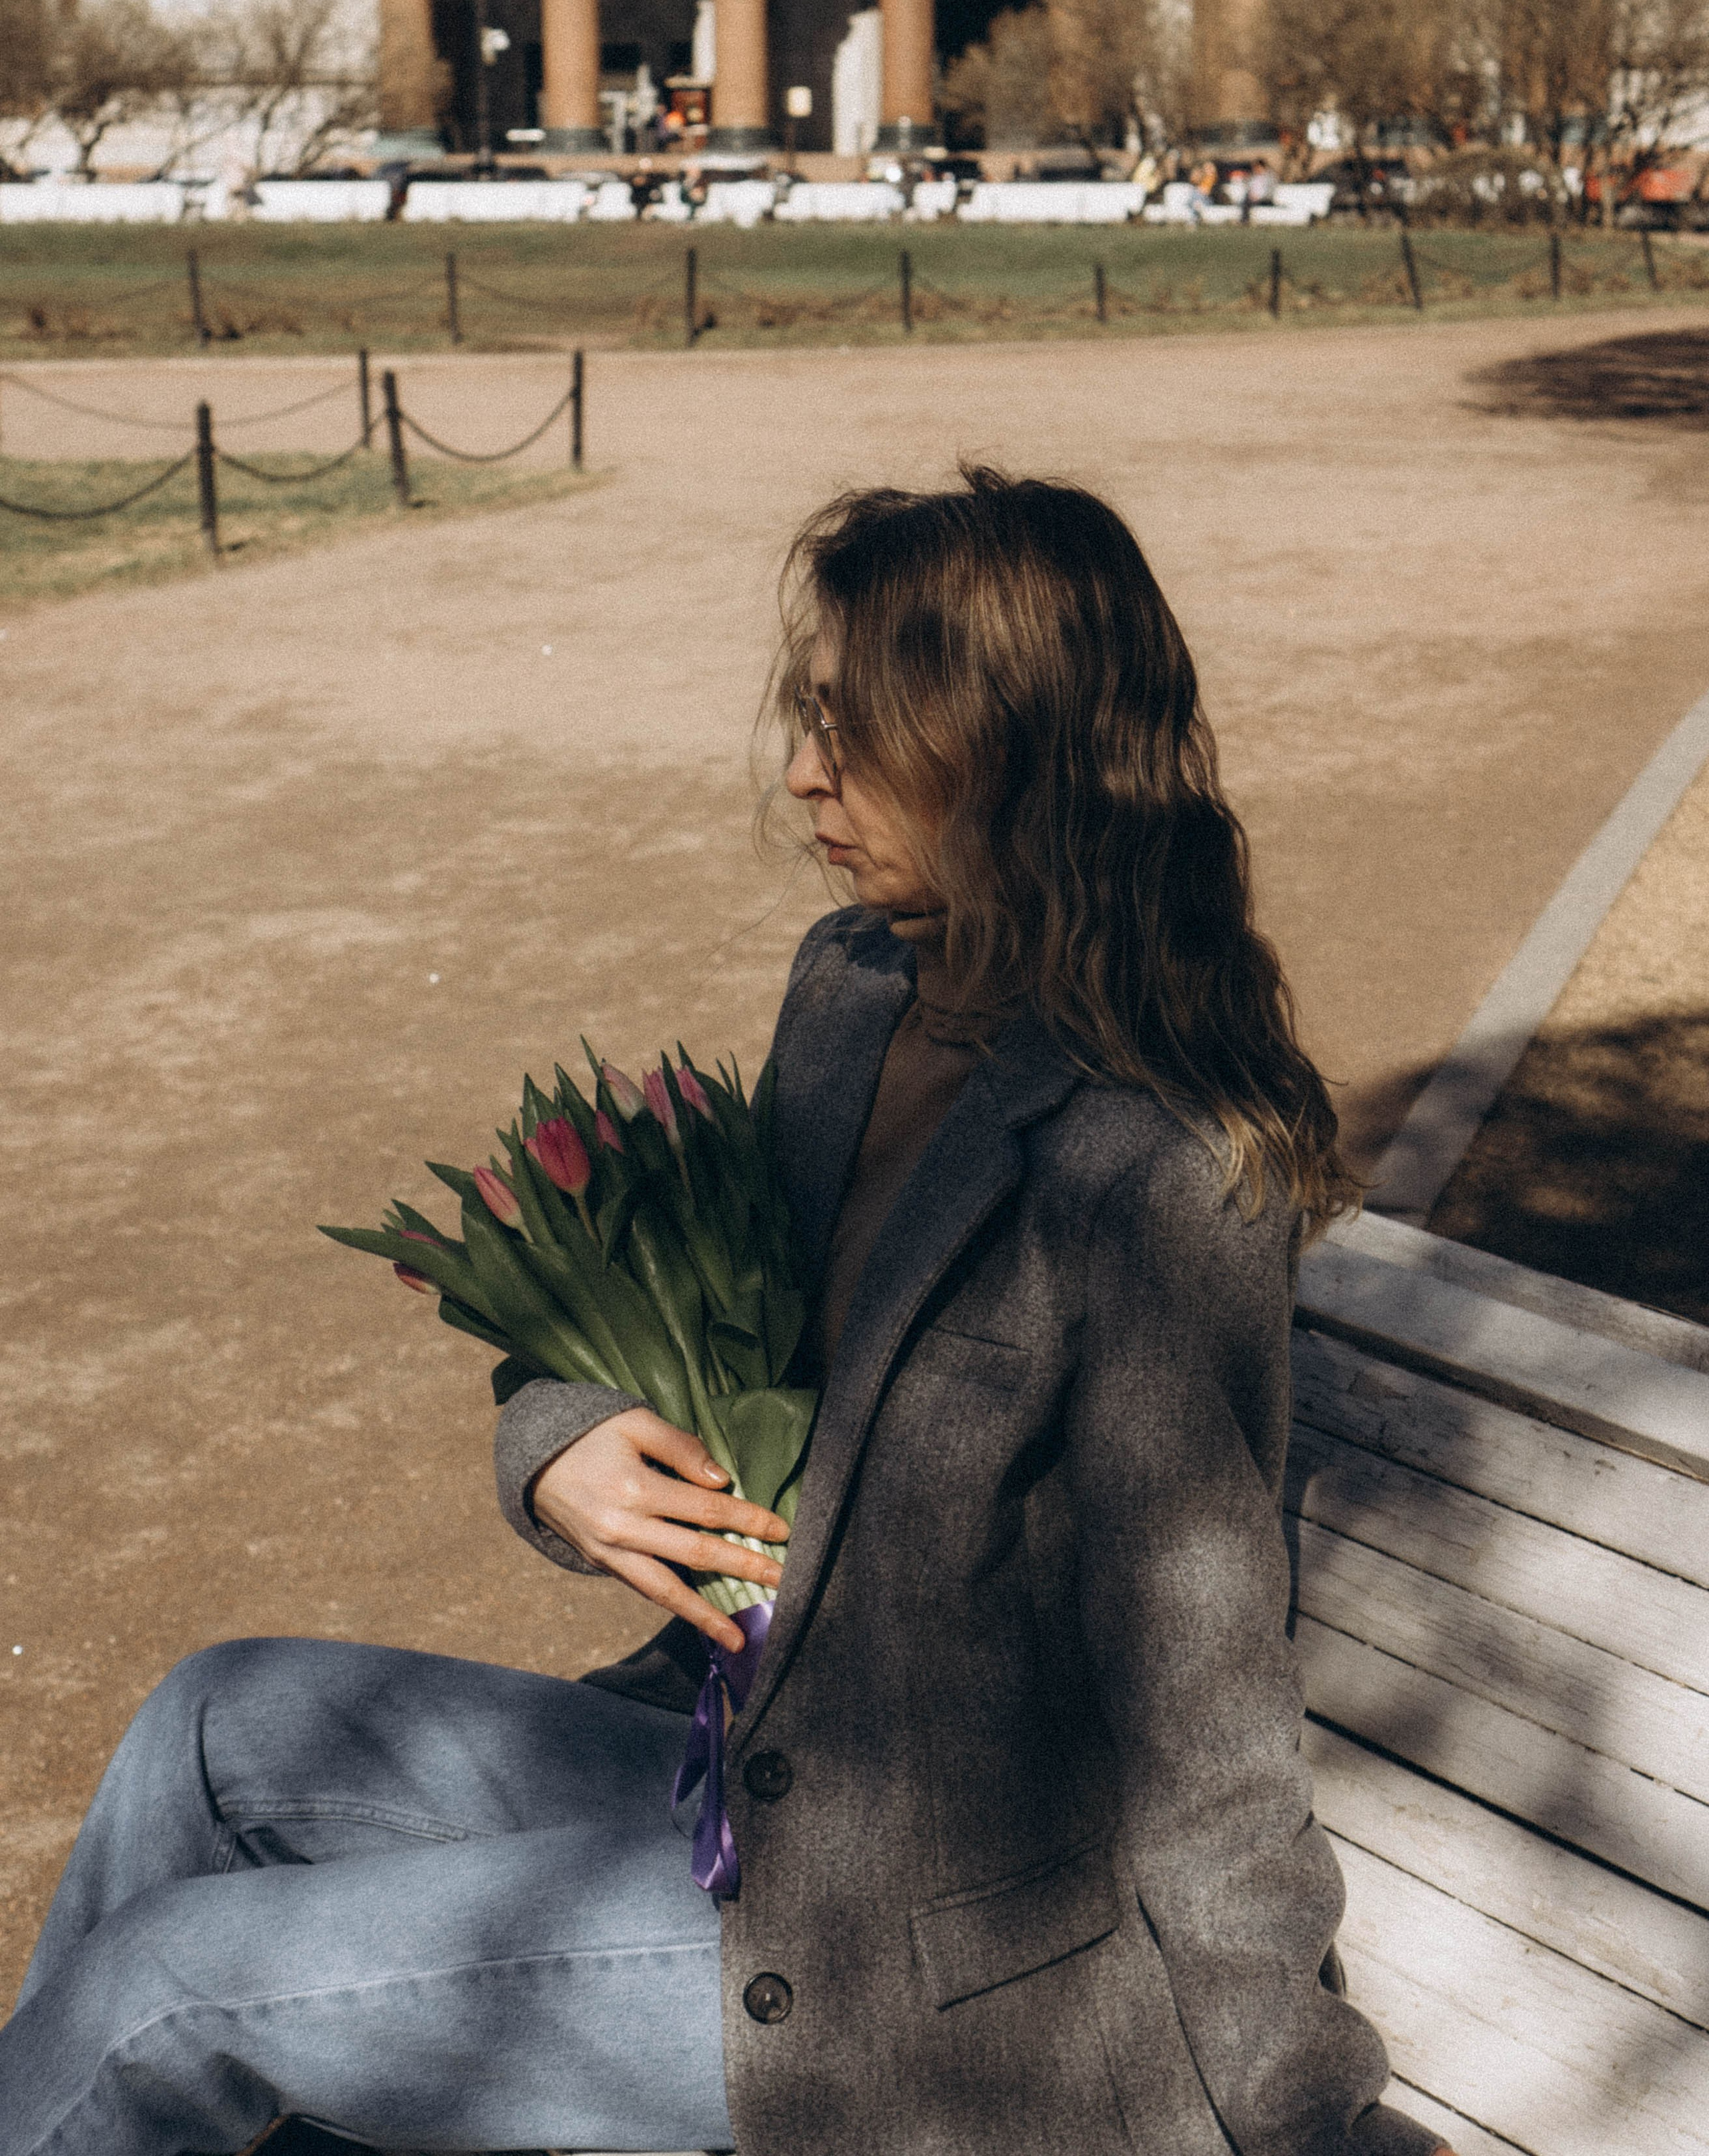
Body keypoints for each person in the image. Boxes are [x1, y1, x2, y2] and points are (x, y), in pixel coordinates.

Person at [0, 469, 1451, 2156]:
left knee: (173, 1995)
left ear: (1010, 743)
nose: (801, 774)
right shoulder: (850, 993)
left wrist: (1298, 2115)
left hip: (935, 1988)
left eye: (855, 728)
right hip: (726, 1777)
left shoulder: (1155, 1163)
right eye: (806, 717)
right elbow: (688, 1333)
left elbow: (1200, 1684)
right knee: (209, 1722)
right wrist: (554, 1442)